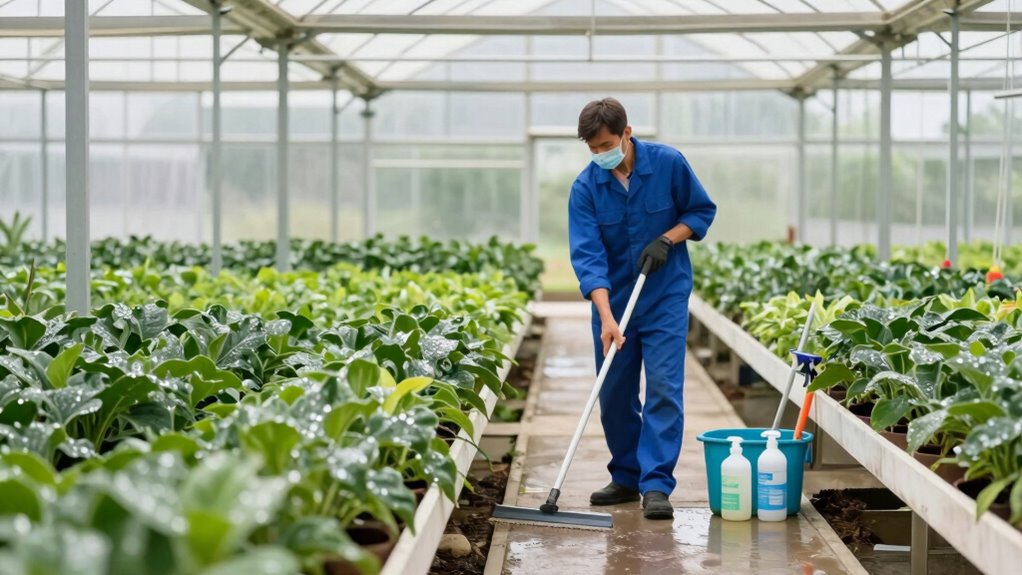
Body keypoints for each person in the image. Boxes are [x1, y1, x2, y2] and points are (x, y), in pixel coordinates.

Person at [567, 97, 717, 520]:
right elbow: (587, 255)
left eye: (607, 145)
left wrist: (669, 238)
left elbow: (701, 210)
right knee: (614, 392)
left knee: (664, 387)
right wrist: (606, 317)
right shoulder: (585, 188)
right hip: (612, 301)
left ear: (627, 133)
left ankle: (655, 484)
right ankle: (626, 476)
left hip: (665, 295)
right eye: (593, 148)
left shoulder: (668, 164)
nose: (600, 155)